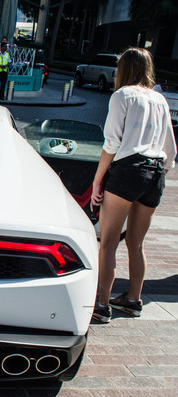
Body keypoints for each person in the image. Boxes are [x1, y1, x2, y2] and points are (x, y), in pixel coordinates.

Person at [91, 47, 176, 323]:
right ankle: (133, 300)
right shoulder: (160, 99)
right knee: (136, 244)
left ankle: (102, 306)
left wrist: (97, 181)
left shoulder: (122, 96)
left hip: (128, 171)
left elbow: (111, 143)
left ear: (123, 69)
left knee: (108, 243)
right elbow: (171, 150)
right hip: (155, 173)